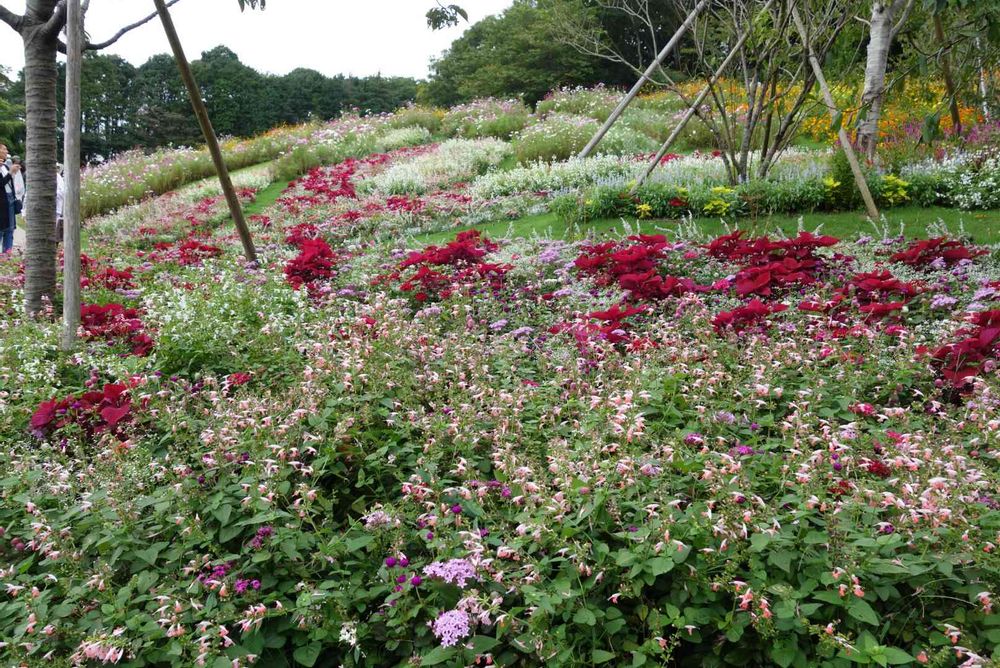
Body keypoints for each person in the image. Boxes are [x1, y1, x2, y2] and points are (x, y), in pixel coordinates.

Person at [0, 143, 19, 253]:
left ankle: (7, 257)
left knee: (10, 229)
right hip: (2, 202)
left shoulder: (5, 166)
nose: (6, 152)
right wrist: (11, 172)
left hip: (10, 200)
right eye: (4, 149)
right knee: (1, 229)